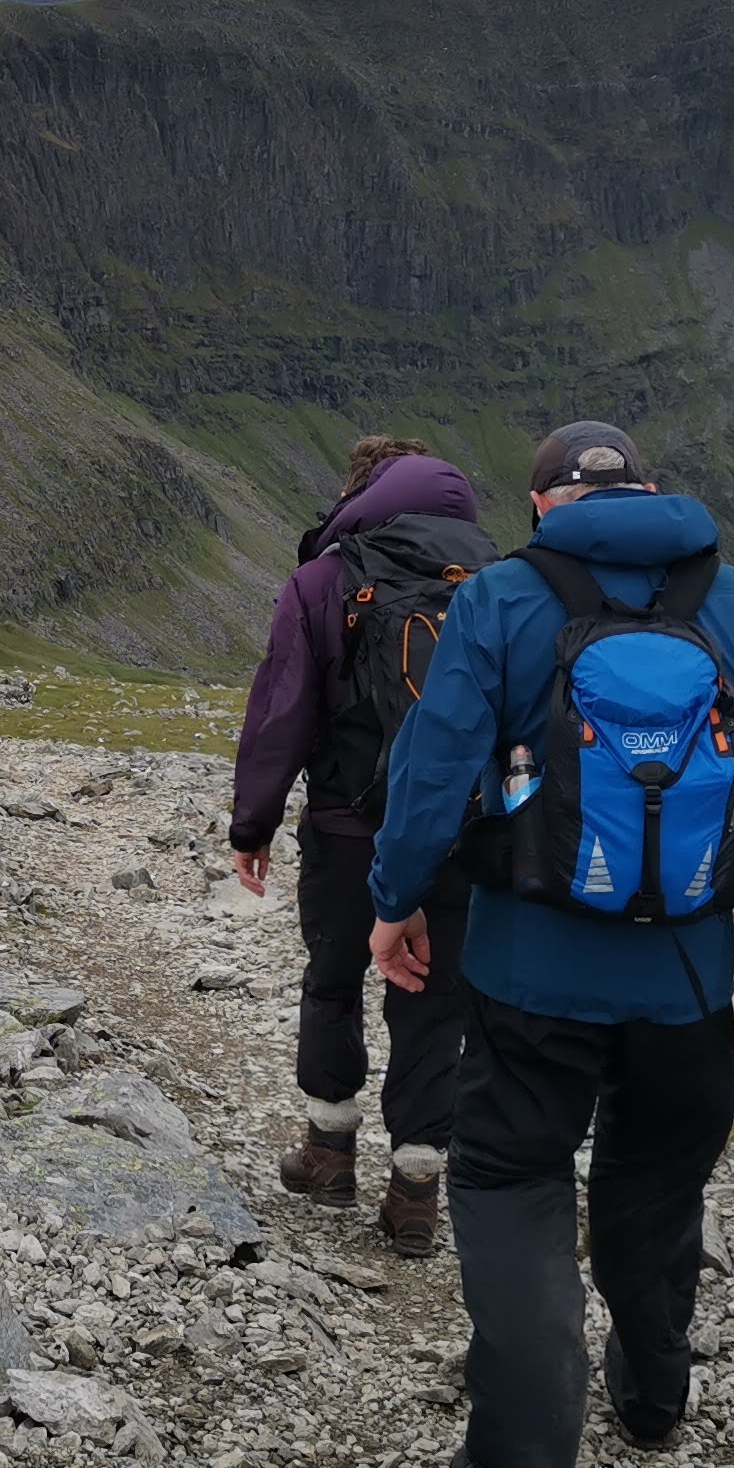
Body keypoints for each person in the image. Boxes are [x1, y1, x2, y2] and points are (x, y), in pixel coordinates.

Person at [368, 421, 734, 1468]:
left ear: (544, 506)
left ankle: (522, 1462)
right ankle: (651, 1398)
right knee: (656, 1179)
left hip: (526, 970)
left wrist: (395, 903)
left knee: (510, 1179)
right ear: (649, 493)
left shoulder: (498, 600)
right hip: (685, 978)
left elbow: (432, 768)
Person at [227, 435, 498, 1254]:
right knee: (433, 1000)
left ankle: (329, 1153)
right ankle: (416, 1191)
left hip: (349, 827)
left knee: (334, 979)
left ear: (358, 495)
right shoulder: (498, 581)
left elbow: (283, 710)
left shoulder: (322, 580)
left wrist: (254, 824)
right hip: (461, 830)